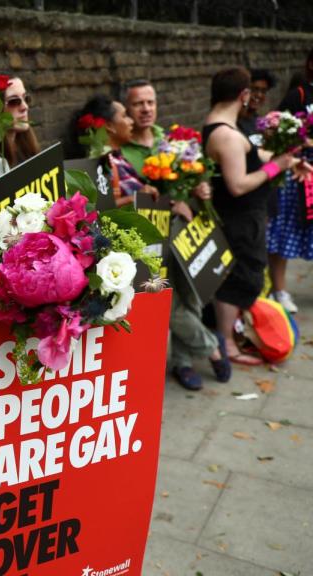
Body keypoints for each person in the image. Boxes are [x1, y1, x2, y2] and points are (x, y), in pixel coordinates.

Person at [75, 96, 228, 389]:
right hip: (138, 245)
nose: (134, 118)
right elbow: (105, 206)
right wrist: (146, 197)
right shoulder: (106, 161)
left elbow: (155, 193)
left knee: (189, 295)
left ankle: (183, 363)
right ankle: (212, 347)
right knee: (165, 302)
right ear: (109, 125)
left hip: (165, 235)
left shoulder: (142, 149)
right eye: (127, 113)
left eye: (151, 102)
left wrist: (189, 193)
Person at [203, 67, 310, 366]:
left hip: (245, 217)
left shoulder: (226, 127)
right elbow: (238, 185)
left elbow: (253, 157)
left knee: (246, 274)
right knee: (240, 278)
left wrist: (290, 162)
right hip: (239, 218)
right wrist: (275, 167)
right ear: (243, 94)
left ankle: (229, 334)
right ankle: (227, 344)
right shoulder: (226, 134)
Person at [267, 50, 313, 315]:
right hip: (299, 171)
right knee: (284, 229)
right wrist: (299, 145)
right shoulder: (299, 94)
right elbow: (275, 128)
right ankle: (279, 289)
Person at [74, 95, 158, 207]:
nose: (131, 121)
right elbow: (95, 209)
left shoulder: (118, 158)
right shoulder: (96, 166)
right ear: (109, 126)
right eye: (124, 116)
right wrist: (134, 199)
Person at [120, 79, 163, 173]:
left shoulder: (170, 141)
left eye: (150, 102)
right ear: (125, 108)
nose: (146, 109)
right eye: (138, 104)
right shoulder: (118, 152)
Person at [238, 68, 277, 141]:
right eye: (254, 89)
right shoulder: (235, 121)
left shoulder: (259, 122)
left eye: (263, 91)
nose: (259, 95)